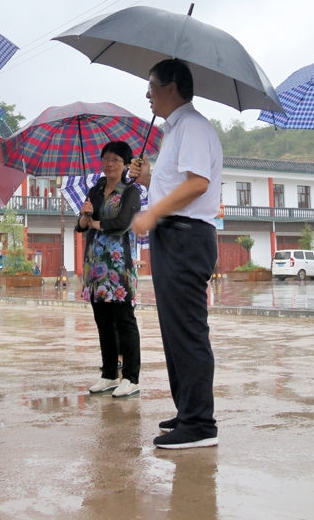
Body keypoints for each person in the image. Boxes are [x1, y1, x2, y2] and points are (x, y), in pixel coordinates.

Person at [129, 58, 222, 449]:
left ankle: (200, 424)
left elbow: (198, 184)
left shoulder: (194, 126)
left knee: (187, 329)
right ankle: (187, 411)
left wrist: (151, 213)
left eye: (151, 85)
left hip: (186, 236)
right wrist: (148, 178)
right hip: (172, 235)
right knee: (173, 330)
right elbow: (177, 183)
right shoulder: (174, 131)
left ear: (171, 87)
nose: (147, 94)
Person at [76, 141, 142, 398]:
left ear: (125, 164)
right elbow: (81, 226)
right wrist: (85, 216)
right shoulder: (95, 190)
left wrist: (95, 223)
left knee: (124, 321)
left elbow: (122, 223)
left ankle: (132, 377)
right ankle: (109, 374)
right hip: (94, 264)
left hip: (118, 265)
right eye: (106, 158)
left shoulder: (130, 192)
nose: (110, 164)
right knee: (103, 322)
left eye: (116, 159)